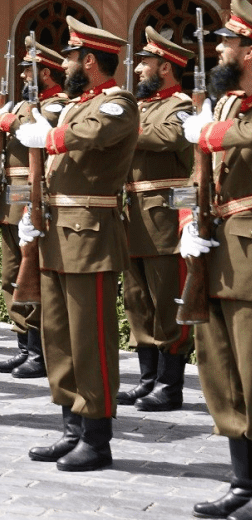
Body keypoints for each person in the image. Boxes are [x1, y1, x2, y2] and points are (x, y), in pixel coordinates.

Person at [15, 16, 138, 472]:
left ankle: (97, 437)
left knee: (91, 339)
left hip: (89, 233)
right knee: (60, 336)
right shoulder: (75, 103)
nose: (64, 63)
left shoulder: (117, 102)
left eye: (69, 55)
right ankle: (71, 427)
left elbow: (95, 135)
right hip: (56, 230)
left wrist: (50, 136)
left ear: (89, 59)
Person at [181, 0, 252, 520]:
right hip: (216, 248)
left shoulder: (229, 117)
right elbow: (194, 174)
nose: (221, 51)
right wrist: (187, 222)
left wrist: (211, 131)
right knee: (219, 368)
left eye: (228, 43)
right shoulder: (223, 106)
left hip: (248, 254)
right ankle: (242, 480)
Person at [119, 27, 194, 411]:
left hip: (163, 218)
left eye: (145, 64)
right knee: (137, 301)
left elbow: (166, 139)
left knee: (167, 301)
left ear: (165, 67)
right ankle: (147, 378)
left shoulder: (181, 106)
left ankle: (170, 384)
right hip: (132, 217)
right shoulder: (141, 107)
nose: (137, 72)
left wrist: (119, 127)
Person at [0, 37, 67, 379]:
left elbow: (37, 134)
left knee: (33, 274)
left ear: (45, 73)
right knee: (11, 275)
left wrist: (7, 122)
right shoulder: (21, 105)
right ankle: (24, 344)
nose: (21, 77)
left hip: (33, 199)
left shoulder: (57, 106)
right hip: (11, 199)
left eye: (27, 71)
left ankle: (40, 349)